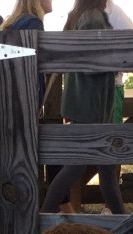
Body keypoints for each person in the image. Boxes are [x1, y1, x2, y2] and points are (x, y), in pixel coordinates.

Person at [39, 0, 125, 215]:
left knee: (104, 166)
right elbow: (91, 62)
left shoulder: (78, 15)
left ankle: (122, 220)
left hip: (86, 102)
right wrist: (114, 62)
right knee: (79, 166)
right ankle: (44, 215)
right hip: (91, 104)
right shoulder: (93, 18)